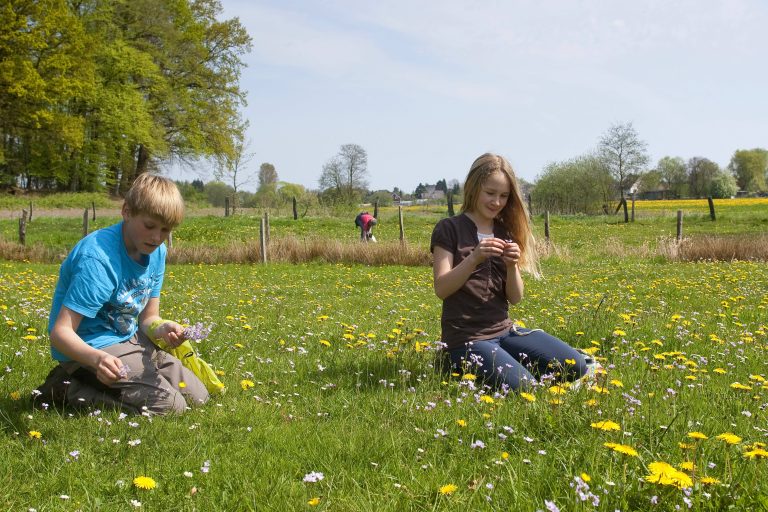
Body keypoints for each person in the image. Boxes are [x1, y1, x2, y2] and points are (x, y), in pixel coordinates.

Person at [34, 174, 209, 415]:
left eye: (165, 230)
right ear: (126, 211)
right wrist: (96, 360)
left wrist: (162, 328)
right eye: (149, 226)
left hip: (130, 340)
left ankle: (115, 380)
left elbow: (147, 319)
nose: (157, 238)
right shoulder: (98, 260)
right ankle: (65, 388)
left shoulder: (157, 253)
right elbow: (60, 334)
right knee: (171, 408)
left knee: (200, 397)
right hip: (89, 347)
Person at [431, 153, 589, 391]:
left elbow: (515, 298)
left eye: (504, 196)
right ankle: (455, 364)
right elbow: (442, 288)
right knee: (526, 389)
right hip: (466, 339)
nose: (497, 202)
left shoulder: (505, 231)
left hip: (505, 331)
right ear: (473, 188)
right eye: (490, 193)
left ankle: (511, 365)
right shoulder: (449, 228)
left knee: (576, 366)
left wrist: (512, 265)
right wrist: (474, 257)